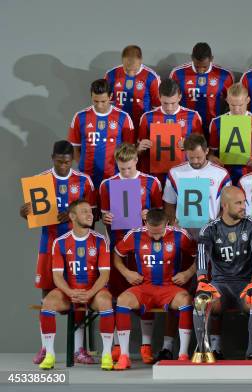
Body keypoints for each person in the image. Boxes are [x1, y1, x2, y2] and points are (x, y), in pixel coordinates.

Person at [20, 141, 96, 365]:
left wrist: (73, 215)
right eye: (59, 161)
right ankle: (45, 348)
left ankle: (79, 349)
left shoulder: (84, 181)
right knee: (46, 293)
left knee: (79, 292)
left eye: (67, 161)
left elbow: (93, 213)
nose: (64, 166)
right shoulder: (41, 180)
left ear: (72, 159)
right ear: (52, 157)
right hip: (50, 243)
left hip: (77, 245)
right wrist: (25, 212)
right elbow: (32, 213)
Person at [98, 143, 163, 363]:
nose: (125, 172)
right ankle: (117, 345)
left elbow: (160, 215)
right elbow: (104, 214)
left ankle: (146, 346)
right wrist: (105, 217)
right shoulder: (107, 185)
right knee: (117, 295)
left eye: (128, 167)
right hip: (118, 247)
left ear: (136, 160)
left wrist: (150, 214)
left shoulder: (151, 182)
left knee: (145, 292)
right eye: (121, 168)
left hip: (142, 247)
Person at [113, 209, 196, 370]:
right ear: (145, 224)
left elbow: (199, 255)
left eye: (160, 233)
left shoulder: (180, 235)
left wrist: (188, 273)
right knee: (123, 300)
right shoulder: (134, 235)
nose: (156, 237)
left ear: (167, 224)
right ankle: (124, 355)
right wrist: (126, 272)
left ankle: (183, 354)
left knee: (186, 300)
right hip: (145, 287)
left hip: (169, 288)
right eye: (152, 233)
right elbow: (117, 255)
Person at [38, 199, 114, 370]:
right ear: (72, 216)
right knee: (48, 302)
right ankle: (49, 353)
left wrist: (90, 293)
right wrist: (70, 292)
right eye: (84, 212)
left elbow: (105, 275)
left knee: (105, 301)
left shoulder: (100, 240)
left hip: (93, 291)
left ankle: (106, 354)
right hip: (69, 291)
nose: (90, 215)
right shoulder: (60, 242)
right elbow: (57, 276)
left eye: (90, 211)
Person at [195, 186, 252, 359]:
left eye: (244, 202)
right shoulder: (209, 228)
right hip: (220, 284)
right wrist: (202, 281)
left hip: (245, 283)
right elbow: (202, 255)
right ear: (225, 206)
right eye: (238, 203)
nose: (243, 206)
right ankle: (207, 350)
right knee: (202, 301)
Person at [68, 79, 134, 187]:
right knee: (88, 205)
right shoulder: (80, 117)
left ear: (110, 96)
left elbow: (129, 150)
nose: (99, 105)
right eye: (95, 101)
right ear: (91, 97)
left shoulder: (123, 117)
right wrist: (83, 166)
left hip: (116, 175)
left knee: (121, 204)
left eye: (103, 101)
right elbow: (74, 148)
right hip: (87, 176)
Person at [162, 134, 231, 237]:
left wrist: (219, 226)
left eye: (199, 157)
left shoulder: (221, 174)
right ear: (185, 152)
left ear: (206, 151)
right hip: (183, 229)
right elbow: (169, 203)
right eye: (191, 157)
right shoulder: (175, 173)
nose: (195, 161)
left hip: (211, 229)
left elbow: (227, 206)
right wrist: (173, 224)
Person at [136, 78, 203, 179]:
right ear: (159, 97)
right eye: (165, 103)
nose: (169, 108)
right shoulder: (147, 117)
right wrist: (140, 148)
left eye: (173, 103)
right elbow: (138, 153)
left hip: (185, 174)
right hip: (154, 175)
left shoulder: (193, 116)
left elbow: (202, 149)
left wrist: (189, 145)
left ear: (179, 97)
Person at [208, 83, 252, 184]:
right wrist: (212, 158)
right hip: (225, 174)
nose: (237, 109)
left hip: (251, 174)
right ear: (227, 100)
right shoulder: (216, 122)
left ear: (247, 100)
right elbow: (212, 152)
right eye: (232, 105)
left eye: (240, 105)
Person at [170, 42, 234, 137]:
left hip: (213, 126)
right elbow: (171, 101)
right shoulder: (177, 74)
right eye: (197, 66)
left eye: (204, 66)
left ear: (211, 59)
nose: (200, 70)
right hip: (186, 126)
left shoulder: (224, 76)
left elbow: (231, 103)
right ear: (192, 58)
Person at [105, 45, 161, 124]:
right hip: (118, 123)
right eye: (127, 69)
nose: (131, 73)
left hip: (142, 124)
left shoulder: (151, 77)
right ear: (122, 61)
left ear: (141, 60)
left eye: (135, 69)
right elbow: (106, 102)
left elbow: (158, 106)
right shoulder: (111, 75)